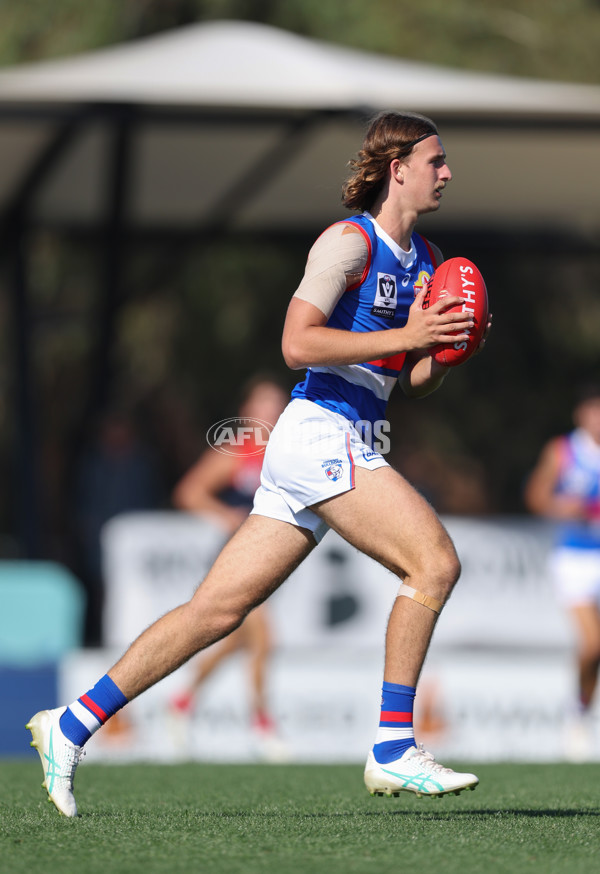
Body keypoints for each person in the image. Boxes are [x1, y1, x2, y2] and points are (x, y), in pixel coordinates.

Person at [28, 110, 490, 817]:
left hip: (342, 437)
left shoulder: (427, 263)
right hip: (318, 433)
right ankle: (394, 747)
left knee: (216, 611)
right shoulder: (347, 242)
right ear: (397, 168)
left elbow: (409, 376)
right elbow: (297, 345)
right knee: (433, 564)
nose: (448, 173)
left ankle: (71, 723)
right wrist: (410, 331)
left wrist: (449, 348)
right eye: (437, 160)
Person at [169, 375, 289, 757]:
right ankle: (263, 726)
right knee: (264, 639)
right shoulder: (237, 451)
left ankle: (182, 702)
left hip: (268, 555)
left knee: (237, 640)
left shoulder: (286, 451)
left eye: (276, 404)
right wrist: (226, 516)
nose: (271, 412)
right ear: (247, 411)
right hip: (237, 554)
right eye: (263, 404)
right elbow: (189, 492)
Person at [525, 384, 600, 760]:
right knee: (592, 646)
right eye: (594, 411)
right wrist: (560, 507)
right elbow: (536, 496)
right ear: (581, 415)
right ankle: (579, 716)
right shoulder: (563, 451)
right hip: (576, 559)